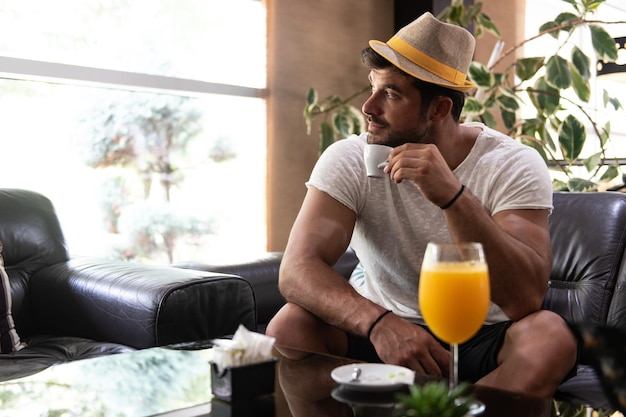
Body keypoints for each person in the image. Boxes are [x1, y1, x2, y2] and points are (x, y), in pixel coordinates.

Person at [266, 12, 577, 400]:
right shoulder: (347, 158)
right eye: (373, 87)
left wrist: (453, 197)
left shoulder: (512, 163)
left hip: (482, 333)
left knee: (551, 338)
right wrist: (380, 323)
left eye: (391, 94)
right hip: (382, 323)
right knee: (289, 327)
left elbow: (525, 297)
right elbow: (296, 270)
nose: (368, 106)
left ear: (439, 109)